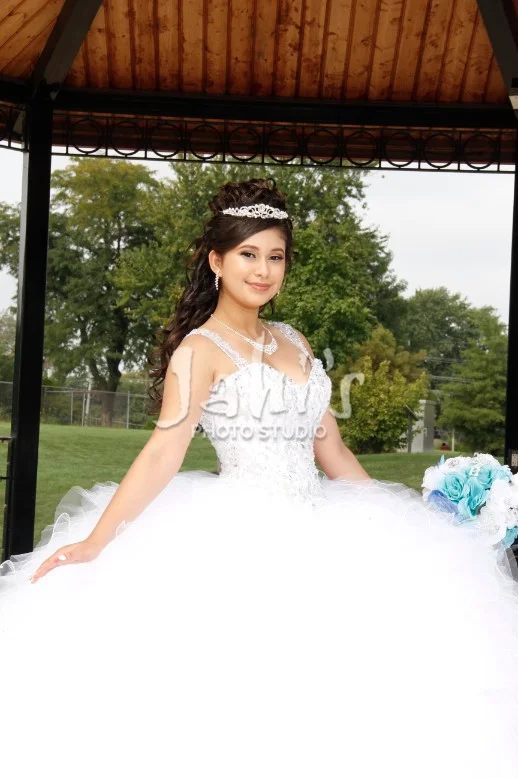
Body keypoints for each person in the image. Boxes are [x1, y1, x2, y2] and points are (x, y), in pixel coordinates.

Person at [1, 178, 518, 778]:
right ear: (216, 261)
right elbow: (164, 452)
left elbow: (332, 449)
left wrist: (403, 522)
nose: (263, 270)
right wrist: (97, 541)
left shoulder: (294, 340)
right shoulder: (199, 351)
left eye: (276, 257)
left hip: (323, 524)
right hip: (243, 533)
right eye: (248, 254)